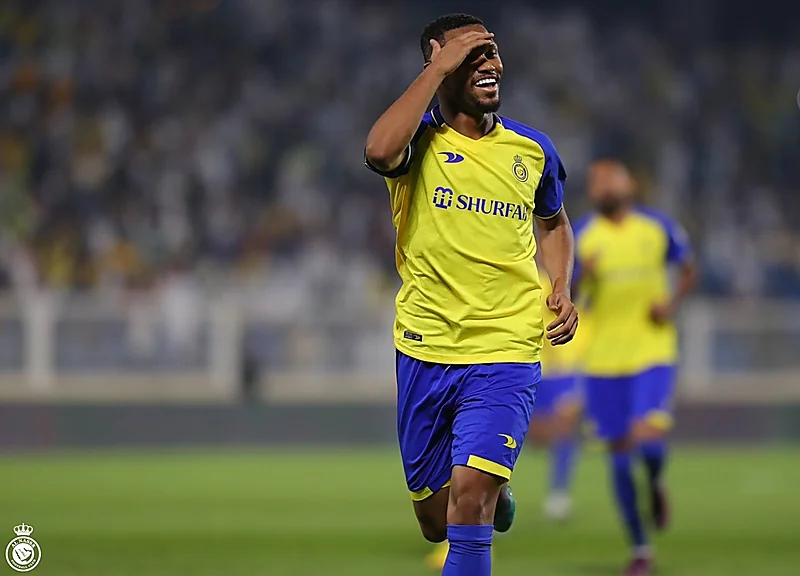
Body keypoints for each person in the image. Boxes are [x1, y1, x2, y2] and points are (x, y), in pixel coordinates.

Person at [364, 13, 578, 576]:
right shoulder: (417, 142)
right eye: (472, 55)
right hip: (426, 347)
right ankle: (494, 493)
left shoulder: (532, 149)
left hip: (506, 347)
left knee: (468, 504)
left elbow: (554, 223)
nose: (491, 64)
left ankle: (485, 489)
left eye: (493, 52)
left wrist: (561, 284)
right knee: (436, 518)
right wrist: (439, 68)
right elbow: (378, 151)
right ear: (439, 63)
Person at [574, 159, 697, 576]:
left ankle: (657, 481)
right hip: (603, 360)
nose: (606, 188)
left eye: (613, 181)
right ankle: (640, 547)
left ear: (629, 185)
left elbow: (688, 268)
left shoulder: (656, 227)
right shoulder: (583, 236)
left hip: (651, 351)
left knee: (648, 440)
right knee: (620, 458)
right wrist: (581, 275)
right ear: (592, 192)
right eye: (599, 183)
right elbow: (565, 292)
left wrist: (671, 304)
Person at [527, 270, 588, 521]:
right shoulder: (543, 286)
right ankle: (496, 495)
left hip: (569, 371)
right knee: (536, 438)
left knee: (565, 427)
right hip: (540, 370)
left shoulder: (594, 292)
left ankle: (559, 493)